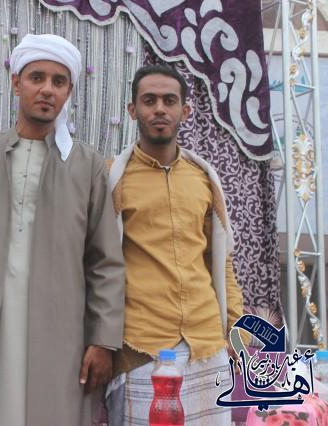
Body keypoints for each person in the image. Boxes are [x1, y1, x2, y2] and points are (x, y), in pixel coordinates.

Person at [0, 33, 126, 426]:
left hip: (59, 330)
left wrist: (103, 340)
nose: (47, 89)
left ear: (68, 92)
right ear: (16, 83)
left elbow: (105, 261)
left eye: (59, 81)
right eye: (37, 78)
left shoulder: (86, 165)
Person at [104, 64, 244, 425]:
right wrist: (98, 341)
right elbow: (96, 265)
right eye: (149, 101)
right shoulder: (112, 178)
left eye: (169, 101)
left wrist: (235, 329)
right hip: (141, 346)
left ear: (185, 111)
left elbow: (220, 261)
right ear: (133, 110)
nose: (160, 109)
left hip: (206, 342)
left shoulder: (203, 178)